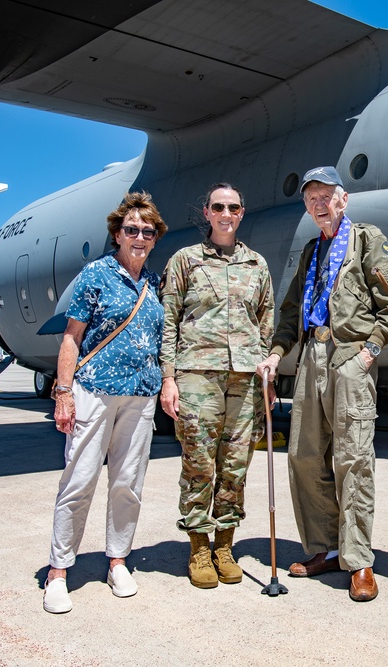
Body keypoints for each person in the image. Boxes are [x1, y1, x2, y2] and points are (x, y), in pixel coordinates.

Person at [256, 166, 388, 602]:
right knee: (304, 456)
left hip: (350, 358)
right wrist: (275, 352)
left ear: (343, 199)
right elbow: (290, 310)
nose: (319, 205)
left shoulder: (366, 240)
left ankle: (359, 560)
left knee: (353, 459)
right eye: (311, 199)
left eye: (326, 196)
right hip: (311, 356)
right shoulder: (311, 251)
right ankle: (324, 548)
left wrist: (369, 353)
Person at [44, 191, 168, 614]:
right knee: (79, 481)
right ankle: (58, 570)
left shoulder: (154, 284)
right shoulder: (95, 275)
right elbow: (71, 338)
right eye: (131, 230)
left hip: (141, 395)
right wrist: (63, 393)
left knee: (127, 484)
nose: (139, 237)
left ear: (154, 238)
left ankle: (117, 560)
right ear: (117, 234)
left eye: (147, 232)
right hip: (94, 390)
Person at [159, 183, 274, 589]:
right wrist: (168, 378)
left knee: (236, 464)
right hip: (196, 375)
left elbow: (265, 322)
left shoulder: (256, 264)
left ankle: (225, 544)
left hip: (244, 378)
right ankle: (197, 546)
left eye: (234, 207)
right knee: (199, 462)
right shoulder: (185, 261)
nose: (227, 213)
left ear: (242, 213)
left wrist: (267, 375)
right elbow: (168, 320)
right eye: (218, 207)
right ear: (206, 212)